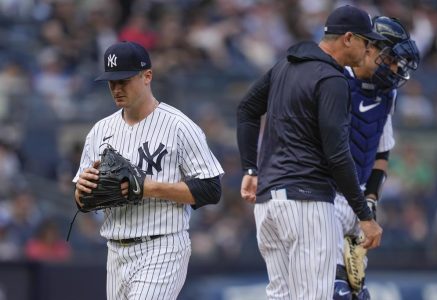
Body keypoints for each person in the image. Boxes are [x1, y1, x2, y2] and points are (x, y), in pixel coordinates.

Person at [236, 5, 385, 299]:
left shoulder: (284, 66)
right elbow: (337, 153)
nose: (368, 50)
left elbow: (246, 109)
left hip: (268, 207)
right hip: (307, 205)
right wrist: (364, 215)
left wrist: (250, 169)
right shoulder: (332, 79)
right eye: (366, 42)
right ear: (348, 38)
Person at [73, 41, 224, 300]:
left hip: (162, 245)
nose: (117, 88)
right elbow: (83, 202)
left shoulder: (179, 126)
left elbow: (211, 189)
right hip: (116, 251)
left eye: (124, 80)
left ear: (147, 76)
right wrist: (82, 191)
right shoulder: (99, 131)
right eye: (112, 82)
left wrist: (148, 187)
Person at [333, 16, 420, 300]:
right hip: (326, 196)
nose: (396, 68)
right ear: (372, 48)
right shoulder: (334, 79)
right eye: (393, 59)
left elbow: (381, 152)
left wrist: (370, 200)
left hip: (358, 202)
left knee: (358, 294)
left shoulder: (388, 94)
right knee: (334, 291)